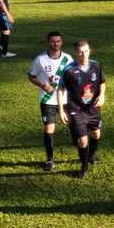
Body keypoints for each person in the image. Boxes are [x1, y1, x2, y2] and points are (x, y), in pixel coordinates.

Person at [57, 39, 106, 179]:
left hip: (93, 109)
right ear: (76, 53)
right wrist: (61, 110)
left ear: (89, 50)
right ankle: (83, 167)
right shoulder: (69, 70)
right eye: (80, 52)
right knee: (83, 141)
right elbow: (60, 90)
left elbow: (102, 83)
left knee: (96, 134)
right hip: (75, 109)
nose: (84, 54)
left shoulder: (96, 66)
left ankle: (91, 156)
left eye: (86, 51)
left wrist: (102, 96)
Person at [27, 31, 73, 172]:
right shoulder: (40, 59)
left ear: (62, 42)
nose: (56, 44)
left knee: (74, 125)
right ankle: (50, 159)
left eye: (58, 41)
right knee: (49, 129)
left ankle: (80, 146)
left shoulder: (68, 59)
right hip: (47, 100)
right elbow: (31, 76)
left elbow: (73, 77)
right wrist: (42, 85)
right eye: (53, 41)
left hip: (66, 99)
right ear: (48, 42)